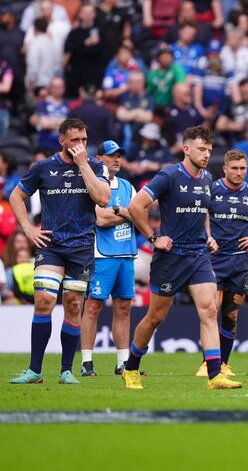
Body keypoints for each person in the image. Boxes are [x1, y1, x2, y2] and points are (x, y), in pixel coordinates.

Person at [122, 126, 241, 390]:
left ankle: (214, 375)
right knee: (155, 317)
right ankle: (130, 367)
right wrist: (154, 239)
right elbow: (135, 206)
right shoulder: (169, 175)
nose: (207, 154)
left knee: (210, 310)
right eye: (201, 149)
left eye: (209, 150)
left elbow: (203, 212)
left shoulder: (207, 177)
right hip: (171, 256)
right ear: (186, 149)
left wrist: (208, 235)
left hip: (198, 254)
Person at [9, 119, 111, 385]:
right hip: (51, 245)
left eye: (84, 140)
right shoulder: (43, 167)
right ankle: (35, 370)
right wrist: (28, 229)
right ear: (62, 141)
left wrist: (83, 164)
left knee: (74, 304)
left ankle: (66, 370)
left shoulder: (95, 165)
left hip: (81, 246)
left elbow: (103, 198)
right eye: (75, 140)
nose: (80, 146)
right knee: (43, 300)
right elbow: (16, 197)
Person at [195, 150, 248, 378]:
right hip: (213, 259)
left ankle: (223, 364)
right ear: (225, 168)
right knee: (211, 311)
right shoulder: (212, 190)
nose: (239, 173)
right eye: (235, 168)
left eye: (242, 169)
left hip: (239, 261)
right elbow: (201, 214)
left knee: (231, 315)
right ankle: (207, 363)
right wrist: (207, 237)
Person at [79, 141, 138, 377]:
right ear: (99, 158)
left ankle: (123, 362)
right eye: (111, 155)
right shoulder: (93, 185)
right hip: (101, 254)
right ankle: (86, 362)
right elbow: (100, 220)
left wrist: (117, 212)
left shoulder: (128, 186)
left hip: (126, 253)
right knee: (93, 307)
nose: (117, 160)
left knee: (123, 308)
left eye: (119, 156)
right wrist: (127, 213)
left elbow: (140, 213)